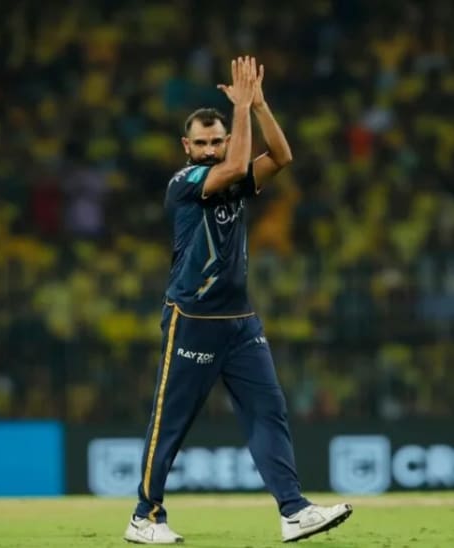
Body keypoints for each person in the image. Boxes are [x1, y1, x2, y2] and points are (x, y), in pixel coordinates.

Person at [123, 56, 352, 544]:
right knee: (171, 422)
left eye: (216, 141)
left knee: (269, 411)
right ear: (186, 147)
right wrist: (241, 108)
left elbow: (282, 157)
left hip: (241, 322)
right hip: (193, 318)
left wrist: (260, 105)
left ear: (226, 140)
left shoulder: (235, 176)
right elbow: (232, 168)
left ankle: (293, 510)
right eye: (200, 143)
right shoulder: (184, 183)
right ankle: (145, 517)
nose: (208, 149)